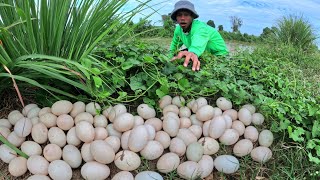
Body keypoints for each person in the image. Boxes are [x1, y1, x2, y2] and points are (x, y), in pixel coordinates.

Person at [169, 0, 229, 71]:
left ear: (192, 17)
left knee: (189, 56)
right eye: (179, 15)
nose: (182, 18)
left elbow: (198, 40)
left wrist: (193, 52)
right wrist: (168, 58)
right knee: (180, 54)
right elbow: (174, 46)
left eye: (186, 15)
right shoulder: (178, 29)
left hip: (219, 56)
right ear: (176, 18)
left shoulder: (200, 28)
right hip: (202, 53)